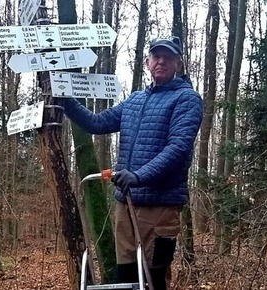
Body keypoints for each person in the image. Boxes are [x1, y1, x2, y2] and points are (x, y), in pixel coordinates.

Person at [61, 36, 203, 289]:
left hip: (159, 207)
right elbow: (98, 123)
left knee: (152, 277)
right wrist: (65, 102)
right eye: (156, 57)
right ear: (147, 63)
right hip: (125, 204)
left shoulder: (187, 99)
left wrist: (138, 176)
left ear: (178, 64)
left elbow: (178, 148)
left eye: (168, 57)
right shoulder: (135, 100)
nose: (161, 61)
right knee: (126, 277)